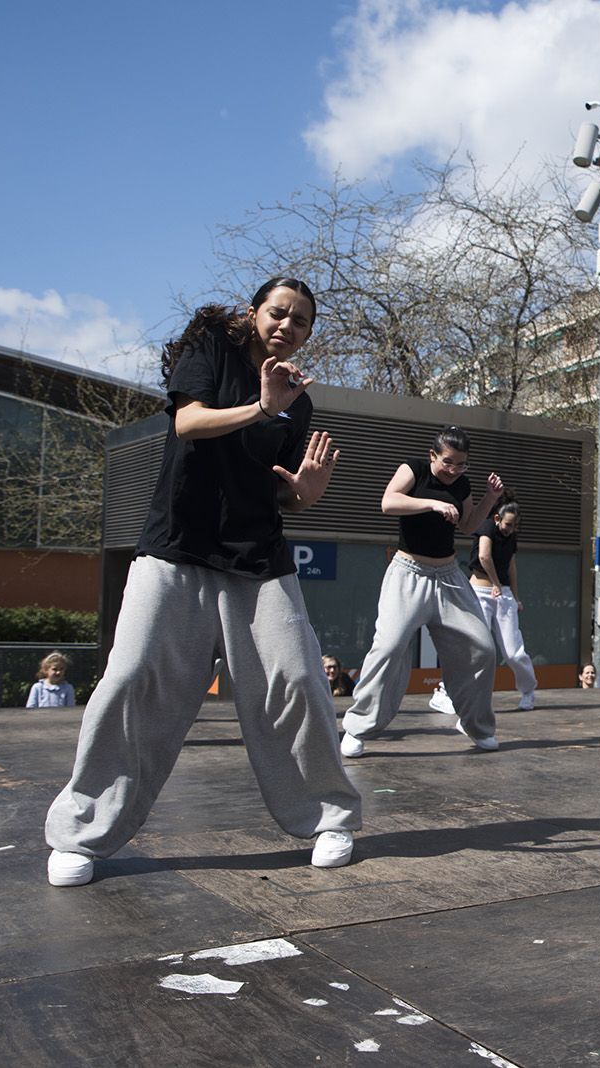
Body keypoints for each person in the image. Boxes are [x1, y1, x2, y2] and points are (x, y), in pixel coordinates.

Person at [44, 278, 361, 886]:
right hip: (176, 550)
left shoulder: (300, 401)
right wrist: (261, 408)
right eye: (278, 313)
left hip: (257, 562)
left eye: (300, 322)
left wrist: (304, 494)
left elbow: (279, 489)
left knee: (298, 678)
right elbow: (189, 423)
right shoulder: (212, 349)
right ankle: (82, 831)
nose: (286, 327)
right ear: (253, 315)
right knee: (131, 674)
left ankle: (329, 818)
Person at [339, 427, 504, 757]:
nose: (454, 470)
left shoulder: (462, 483)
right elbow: (388, 502)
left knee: (483, 648)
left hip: (448, 576)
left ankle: (477, 726)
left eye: (461, 465)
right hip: (408, 573)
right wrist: (431, 504)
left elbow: (469, 526)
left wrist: (490, 498)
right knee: (388, 647)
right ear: (433, 456)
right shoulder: (413, 469)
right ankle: (358, 727)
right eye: (448, 463)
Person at [428, 498, 538, 717]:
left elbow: (511, 567)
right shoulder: (487, 526)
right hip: (480, 592)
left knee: (513, 651)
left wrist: (515, 597)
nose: (511, 529)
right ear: (497, 518)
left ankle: (528, 691)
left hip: (503, 594)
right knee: (474, 646)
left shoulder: (511, 536)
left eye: (515, 526)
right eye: (508, 524)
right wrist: (495, 583)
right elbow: (483, 556)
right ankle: (445, 693)